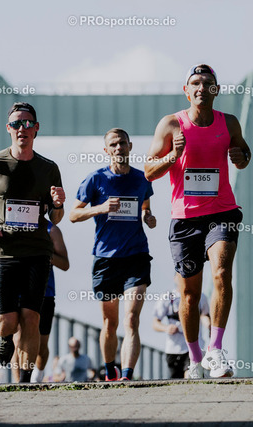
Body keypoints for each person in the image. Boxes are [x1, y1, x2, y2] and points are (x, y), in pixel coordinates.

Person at [145, 64, 251, 378]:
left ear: (216, 90)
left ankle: (215, 349)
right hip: (185, 219)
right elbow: (149, 171)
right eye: (195, 83)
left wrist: (241, 157)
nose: (201, 88)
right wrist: (171, 156)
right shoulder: (171, 124)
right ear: (186, 91)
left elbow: (244, 155)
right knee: (190, 295)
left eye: (208, 83)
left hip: (222, 212)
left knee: (222, 272)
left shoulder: (229, 123)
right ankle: (195, 359)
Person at [0, 102, 65, 383]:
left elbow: (56, 218)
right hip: (4, 251)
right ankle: (5, 336)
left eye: (28, 123)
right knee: (6, 322)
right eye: (17, 124)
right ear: (8, 128)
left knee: (31, 318)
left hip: (37, 251)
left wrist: (58, 204)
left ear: (36, 128)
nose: (23, 128)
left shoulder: (48, 168)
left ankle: (25, 382)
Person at [69, 128, 156, 381]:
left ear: (130, 146)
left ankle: (127, 376)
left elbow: (145, 205)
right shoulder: (95, 179)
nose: (119, 148)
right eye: (113, 145)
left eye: (122, 143)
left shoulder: (142, 178)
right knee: (110, 323)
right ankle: (109, 372)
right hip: (106, 259)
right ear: (107, 150)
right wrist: (100, 208)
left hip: (136, 256)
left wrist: (147, 216)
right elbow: (73, 214)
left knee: (131, 319)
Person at [10, 223, 70, 382]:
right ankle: (19, 384)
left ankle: (38, 375)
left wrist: (44, 252)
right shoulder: (14, 223)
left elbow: (65, 264)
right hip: (19, 290)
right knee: (18, 339)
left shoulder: (52, 230)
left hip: (45, 293)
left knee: (41, 347)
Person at [153, 284, 211, 378]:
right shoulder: (167, 297)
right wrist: (166, 328)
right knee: (176, 380)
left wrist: (209, 326)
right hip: (173, 349)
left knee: (190, 375)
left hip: (194, 346)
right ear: (175, 278)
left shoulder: (201, 296)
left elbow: (204, 315)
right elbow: (155, 324)